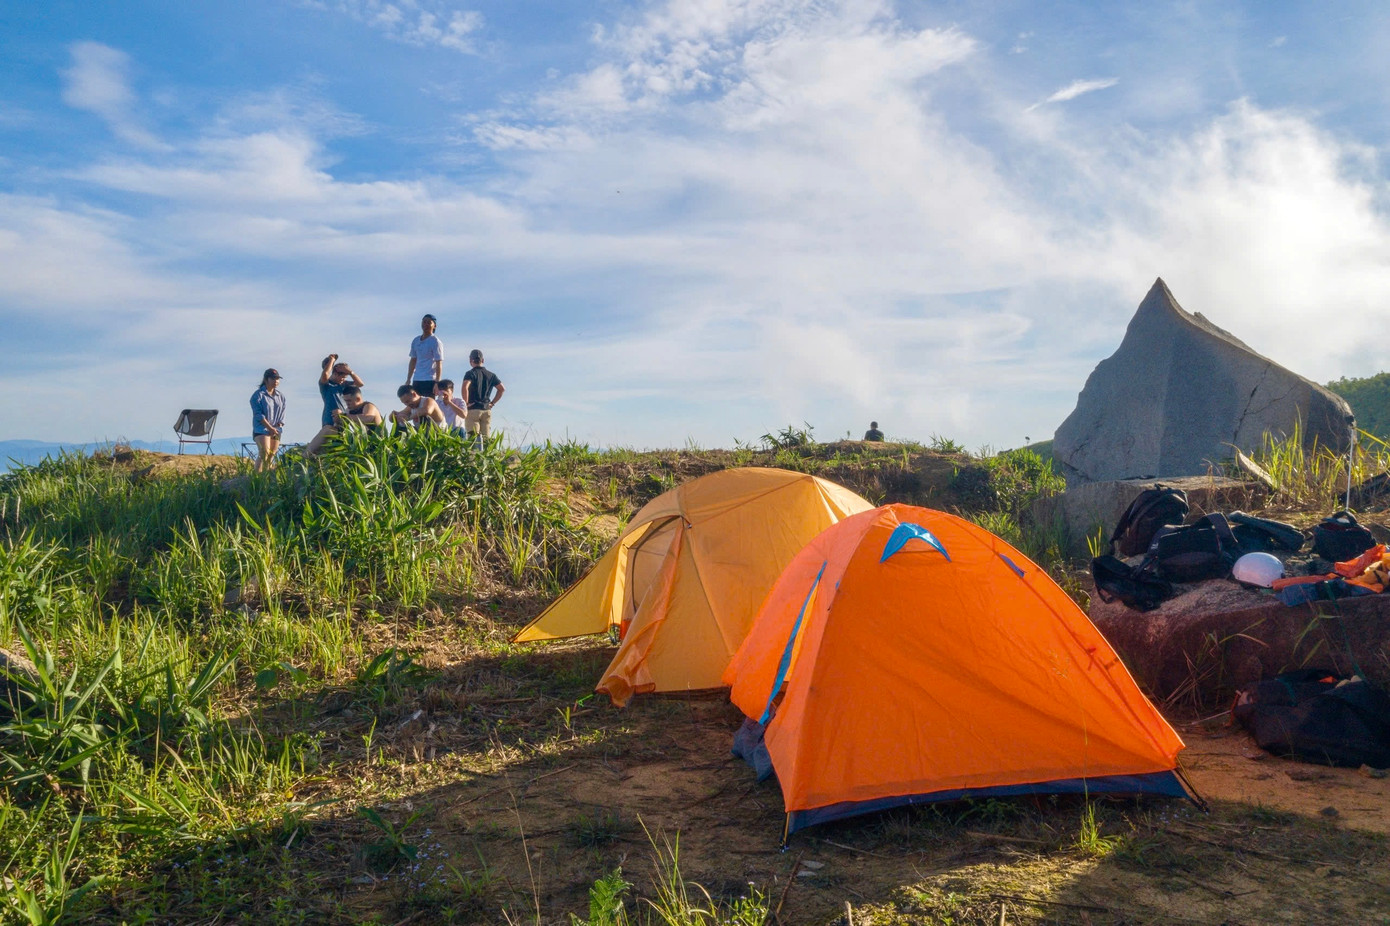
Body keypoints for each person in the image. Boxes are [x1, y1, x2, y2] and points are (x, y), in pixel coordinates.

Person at [304, 385, 382, 456]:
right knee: (328, 429)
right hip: (358, 442)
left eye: (349, 401)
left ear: (358, 399)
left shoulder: (368, 406)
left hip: (374, 442)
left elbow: (368, 418)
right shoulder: (349, 410)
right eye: (345, 401)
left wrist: (344, 416)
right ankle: (307, 455)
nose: (347, 403)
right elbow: (343, 428)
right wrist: (338, 420)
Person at [460, 349, 505, 443]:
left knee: (473, 440)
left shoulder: (470, 373)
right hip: (486, 409)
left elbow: (465, 387)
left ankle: (474, 452)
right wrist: (492, 403)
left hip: (473, 409)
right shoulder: (491, 375)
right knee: (486, 440)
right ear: (483, 360)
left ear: (470, 361)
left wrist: (466, 403)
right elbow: (501, 389)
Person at [250, 368, 286, 472]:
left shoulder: (280, 396)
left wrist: (279, 426)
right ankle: (257, 476)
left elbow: (282, 412)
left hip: (276, 429)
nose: (276, 381)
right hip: (261, 429)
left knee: (271, 455)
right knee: (264, 453)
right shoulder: (258, 395)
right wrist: (269, 428)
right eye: (273, 379)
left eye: (277, 379)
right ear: (266, 379)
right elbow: (258, 415)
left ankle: (267, 476)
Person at [318, 354, 364, 427]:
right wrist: (332, 360)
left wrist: (350, 372)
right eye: (342, 377)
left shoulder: (345, 384)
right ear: (335, 374)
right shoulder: (326, 384)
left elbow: (360, 384)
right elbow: (325, 373)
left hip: (343, 420)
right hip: (329, 421)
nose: (343, 380)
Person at [406, 314, 444, 399]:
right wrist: (408, 379)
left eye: (429, 323)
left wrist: (437, 382)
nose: (426, 324)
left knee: (428, 403)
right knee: (415, 402)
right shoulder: (416, 341)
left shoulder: (435, 341)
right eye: (424, 322)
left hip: (429, 379)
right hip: (417, 379)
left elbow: (439, 363)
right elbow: (413, 360)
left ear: (434, 326)